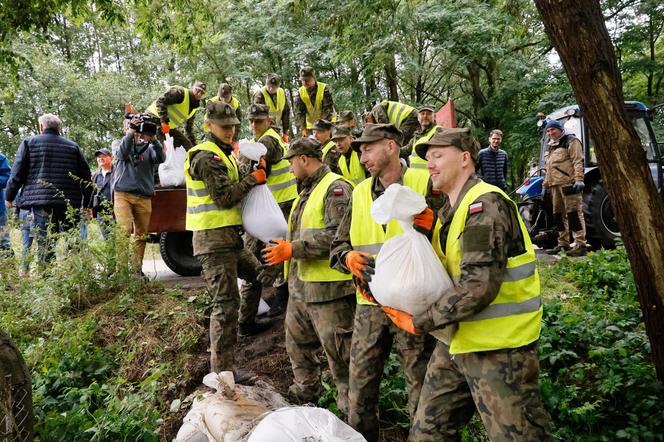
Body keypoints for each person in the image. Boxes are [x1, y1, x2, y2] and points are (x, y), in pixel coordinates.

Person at [382, 126, 551, 441]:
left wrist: (419, 322)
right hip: (458, 342)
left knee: (517, 435)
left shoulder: (484, 205)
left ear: (464, 159)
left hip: (499, 351)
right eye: (427, 158)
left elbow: (478, 286)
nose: (429, 165)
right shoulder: (449, 211)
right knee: (427, 432)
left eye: (437, 156)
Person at [329, 124, 437, 442]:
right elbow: (337, 248)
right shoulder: (360, 192)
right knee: (359, 391)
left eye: (368, 148)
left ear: (390, 146)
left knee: (420, 389)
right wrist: (347, 259)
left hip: (411, 307)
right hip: (369, 306)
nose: (362, 156)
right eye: (360, 150)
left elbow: (451, 240)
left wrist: (435, 227)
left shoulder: (423, 182)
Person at [261, 137, 355, 413]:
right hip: (302, 286)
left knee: (340, 355)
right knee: (297, 342)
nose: (289, 167)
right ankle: (305, 394)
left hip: (331, 291)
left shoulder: (336, 188)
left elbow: (338, 236)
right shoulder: (306, 191)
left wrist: (293, 249)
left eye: (291, 161)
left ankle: (350, 411)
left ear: (304, 159)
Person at [184, 101, 272, 381]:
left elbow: (233, 187)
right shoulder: (206, 157)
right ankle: (223, 373)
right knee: (225, 304)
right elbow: (223, 197)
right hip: (213, 243)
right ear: (208, 126)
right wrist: (252, 180)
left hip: (230, 240)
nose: (230, 131)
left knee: (258, 275)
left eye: (233, 126)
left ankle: (246, 326)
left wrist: (251, 176)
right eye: (225, 127)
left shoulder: (224, 154)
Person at [5, 113, 92, 266]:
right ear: (59, 128)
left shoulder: (29, 142)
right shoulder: (73, 146)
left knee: (44, 240)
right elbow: (86, 177)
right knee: (71, 237)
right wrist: (88, 203)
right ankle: (75, 273)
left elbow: (17, 173)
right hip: (68, 202)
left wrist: (9, 196)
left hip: (41, 201)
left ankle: (46, 277)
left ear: (41, 127)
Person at [241, 103, 298, 317]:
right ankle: (270, 298)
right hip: (273, 206)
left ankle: (281, 296)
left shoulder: (267, 141)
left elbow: (251, 171)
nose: (254, 124)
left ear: (268, 121)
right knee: (269, 251)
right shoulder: (266, 140)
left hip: (278, 206)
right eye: (251, 121)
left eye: (258, 121)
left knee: (274, 251)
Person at [112, 114, 165, 273]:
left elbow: (161, 158)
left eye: (136, 126)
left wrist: (153, 139)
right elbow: (121, 155)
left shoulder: (148, 147)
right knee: (124, 230)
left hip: (144, 196)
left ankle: (136, 271)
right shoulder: (118, 143)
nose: (134, 128)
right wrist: (130, 134)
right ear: (126, 127)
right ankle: (121, 271)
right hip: (123, 194)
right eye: (130, 125)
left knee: (141, 235)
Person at [542, 120, 587, 256]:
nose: (550, 133)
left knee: (573, 213)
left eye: (553, 130)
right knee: (558, 215)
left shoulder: (571, 141)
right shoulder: (551, 147)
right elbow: (549, 168)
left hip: (568, 183)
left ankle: (580, 244)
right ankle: (563, 243)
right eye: (548, 131)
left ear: (560, 129)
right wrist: (545, 185)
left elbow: (577, 161)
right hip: (554, 185)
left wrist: (579, 179)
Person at [146, 81, 207, 151]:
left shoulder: (193, 109)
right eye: (197, 90)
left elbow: (188, 129)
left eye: (202, 93)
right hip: (154, 118)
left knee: (187, 146)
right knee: (159, 148)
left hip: (168, 127)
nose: (199, 94)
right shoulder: (180, 92)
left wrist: (195, 148)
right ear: (192, 88)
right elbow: (160, 102)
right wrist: (164, 122)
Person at [295, 66, 335, 137]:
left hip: (327, 122)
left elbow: (327, 111)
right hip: (311, 126)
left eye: (307, 80)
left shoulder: (324, 89)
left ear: (314, 78)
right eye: (303, 80)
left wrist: (322, 128)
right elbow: (300, 112)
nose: (305, 82)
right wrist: (303, 128)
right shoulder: (300, 92)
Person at [401, 105, 438, 175]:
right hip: (415, 179)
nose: (425, 116)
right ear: (418, 117)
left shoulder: (439, 132)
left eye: (428, 114)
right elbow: (405, 151)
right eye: (422, 114)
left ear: (435, 116)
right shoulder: (416, 136)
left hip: (431, 180)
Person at [253, 74, 291, 138]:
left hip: (277, 128)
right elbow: (259, 116)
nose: (270, 89)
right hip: (264, 130)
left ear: (278, 87)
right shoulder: (259, 95)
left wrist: (285, 132)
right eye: (269, 86)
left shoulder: (282, 93)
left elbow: (286, 112)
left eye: (273, 87)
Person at [91, 148, 115, 240]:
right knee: (107, 240)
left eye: (104, 156)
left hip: (116, 212)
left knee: (119, 239)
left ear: (111, 158)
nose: (100, 158)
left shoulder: (117, 173)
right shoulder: (95, 176)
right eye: (98, 157)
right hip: (101, 214)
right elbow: (91, 193)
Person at [0, 150, 10, 254]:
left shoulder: (0, 158)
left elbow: (7, 177)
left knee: (4, 241)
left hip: (0, 211)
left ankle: (8, 268)